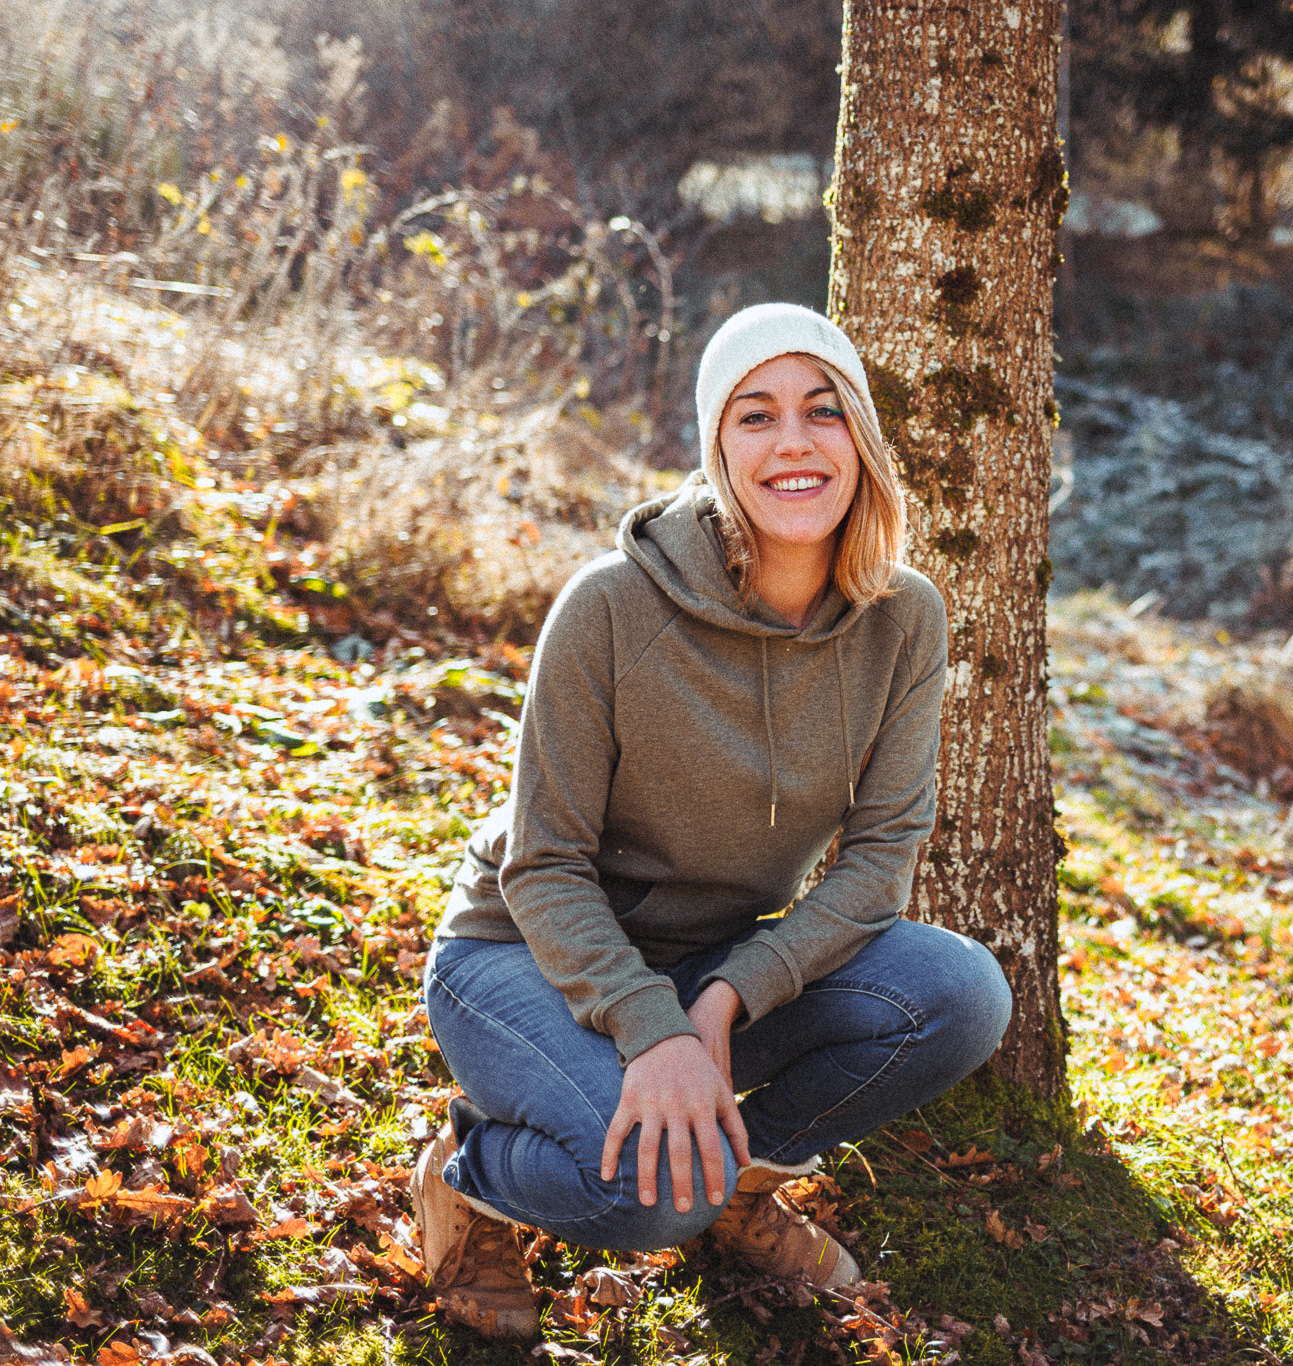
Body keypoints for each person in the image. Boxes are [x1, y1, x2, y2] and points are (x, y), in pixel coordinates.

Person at [411, 303, 1014, 1337]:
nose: (793, 442)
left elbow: (878, 863)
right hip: (525, 958)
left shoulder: (902, 617)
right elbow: (543, 866)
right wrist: (651, 1026)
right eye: (755, 416)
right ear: (717, 447)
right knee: (656, 1199)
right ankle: (469, 1174)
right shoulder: (611, 607)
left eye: (823, 411)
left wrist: (726, 1002)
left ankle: (737, 1185)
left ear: (862, 437)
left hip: (708, 963)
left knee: (959, 995)